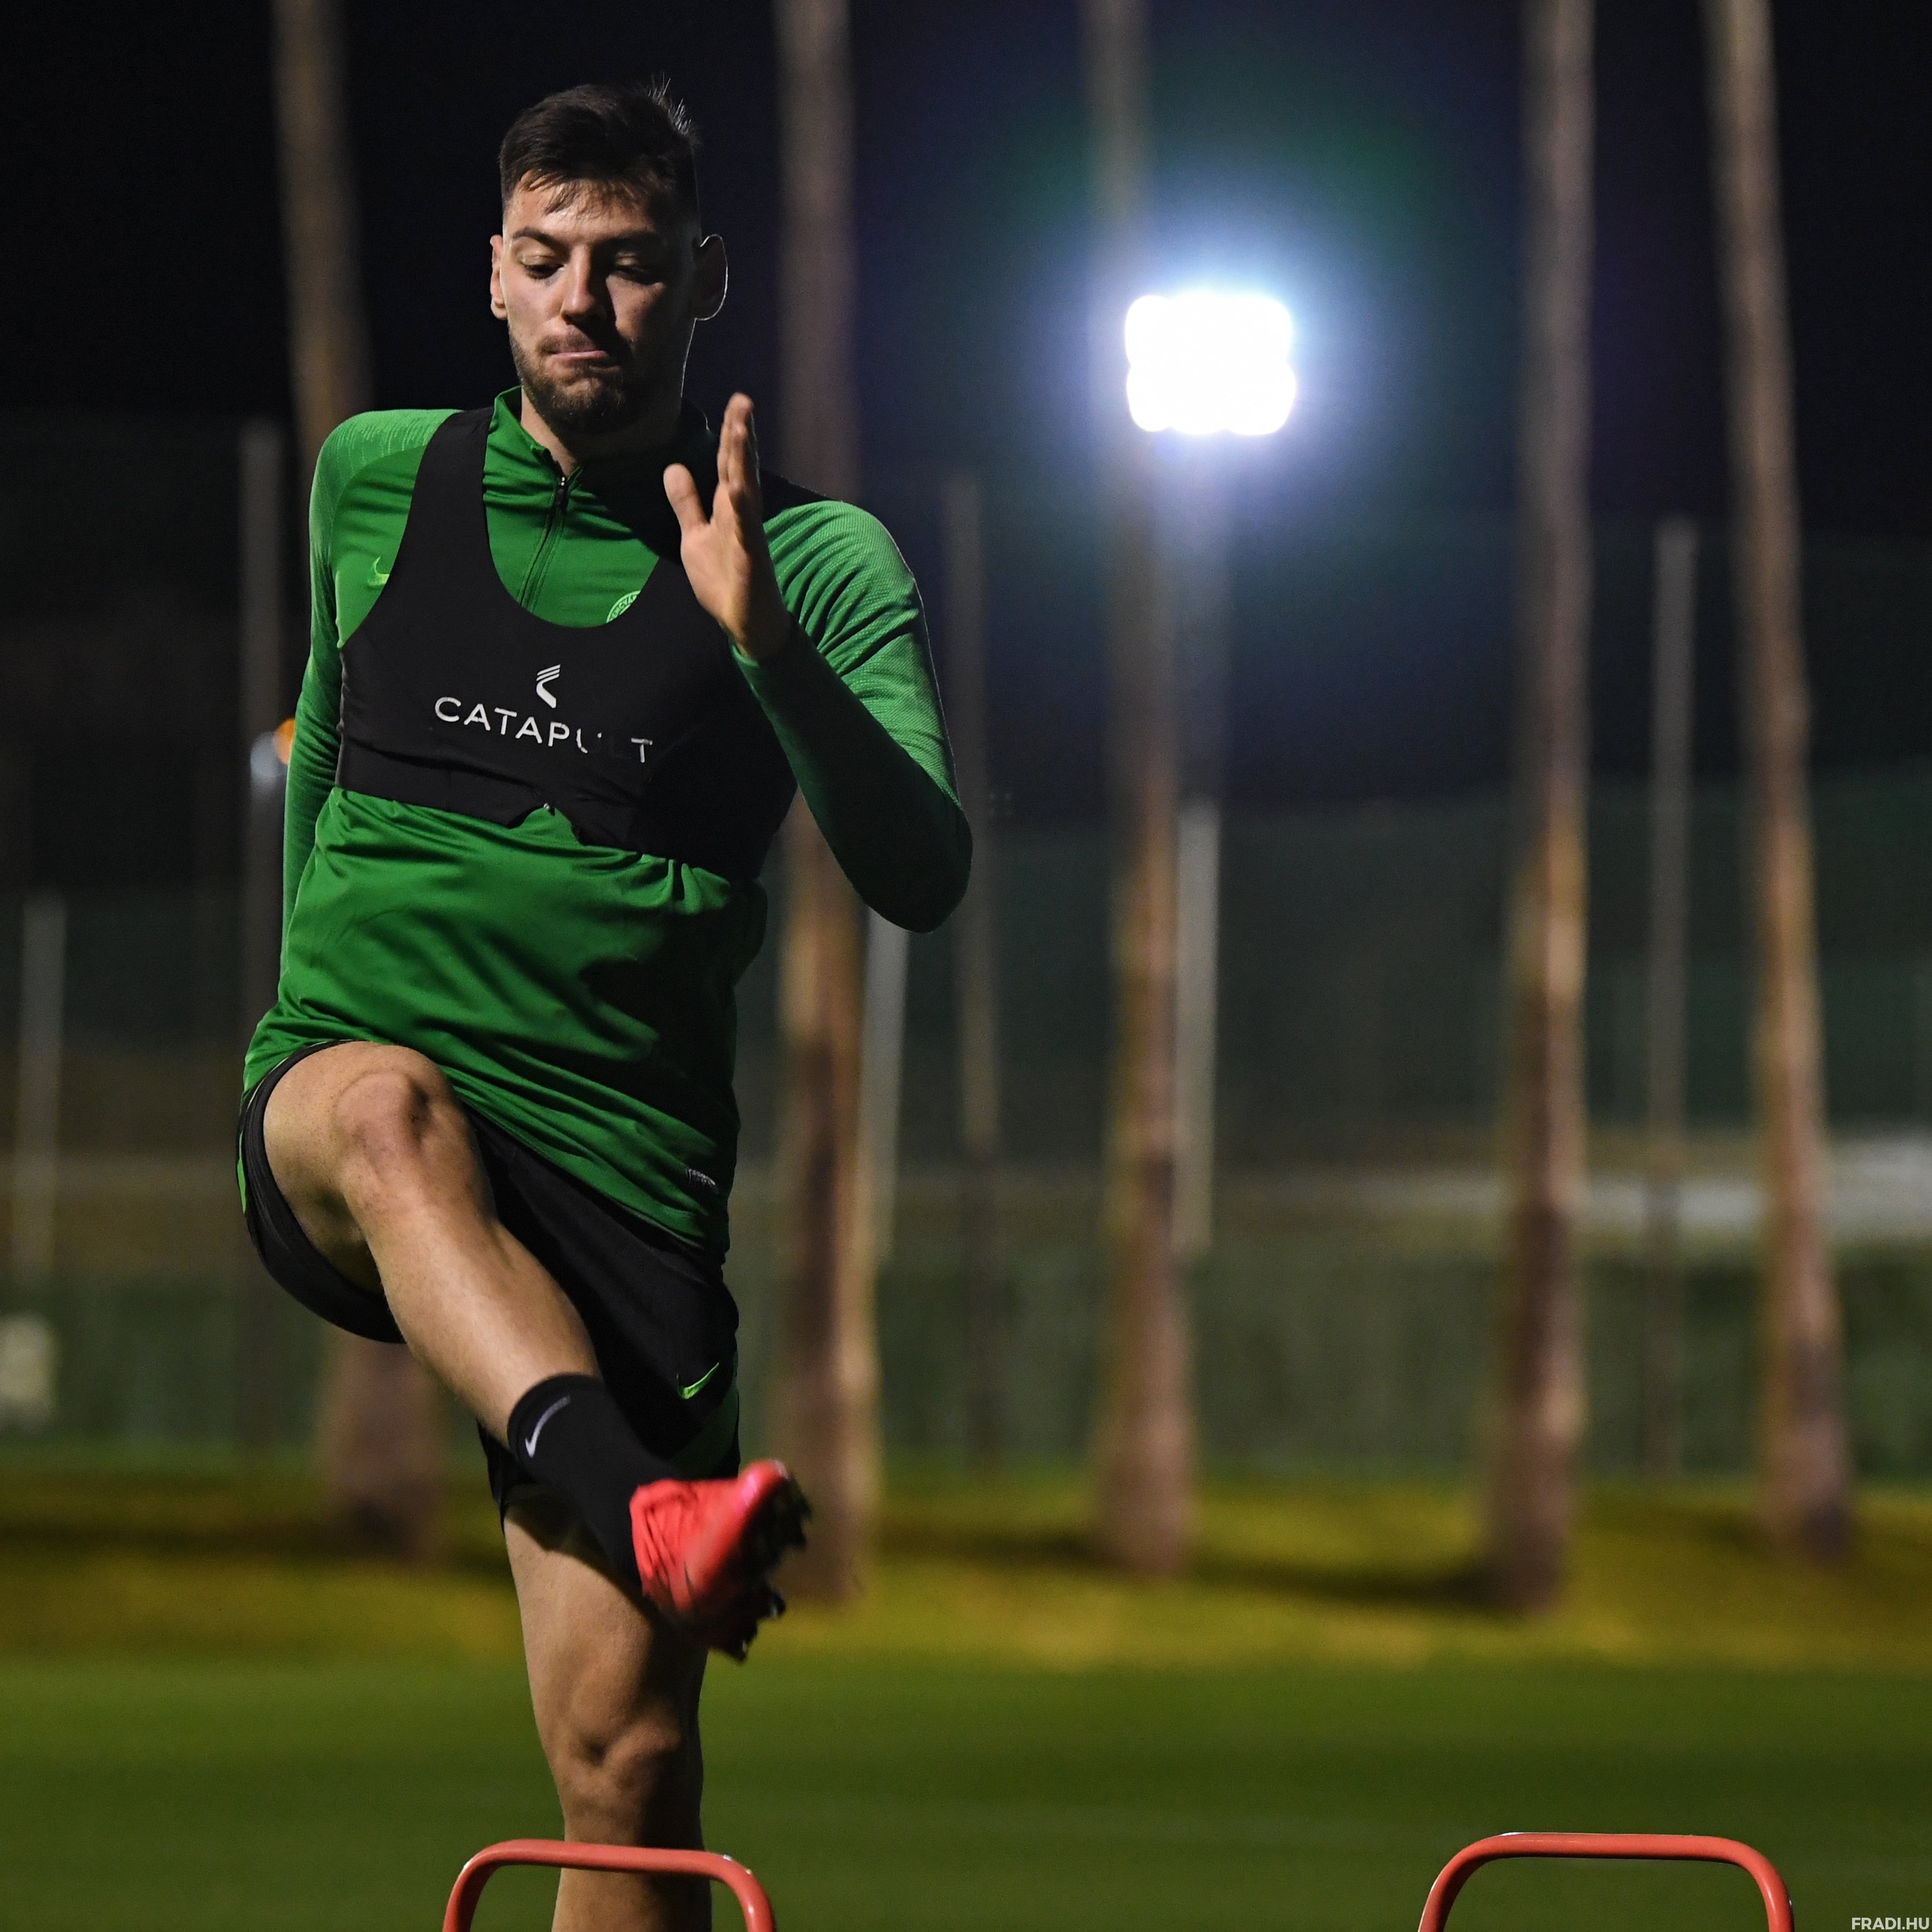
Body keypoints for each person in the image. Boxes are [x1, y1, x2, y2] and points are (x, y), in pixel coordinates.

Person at [236, 78, 969, 1932]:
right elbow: (325, 761)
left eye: (628, 263)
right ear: (492, 272)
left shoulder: (816, 561)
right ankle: (636, 1496)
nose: (584, 298)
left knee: (627, 1770)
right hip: (349, 1096)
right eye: (547, 257)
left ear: (699, 279)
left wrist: (765, 647)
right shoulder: (372, 476)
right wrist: (293, 1023)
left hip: (618, 1177)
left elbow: (922, 871)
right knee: (388, 1110)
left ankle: (630, 1501)